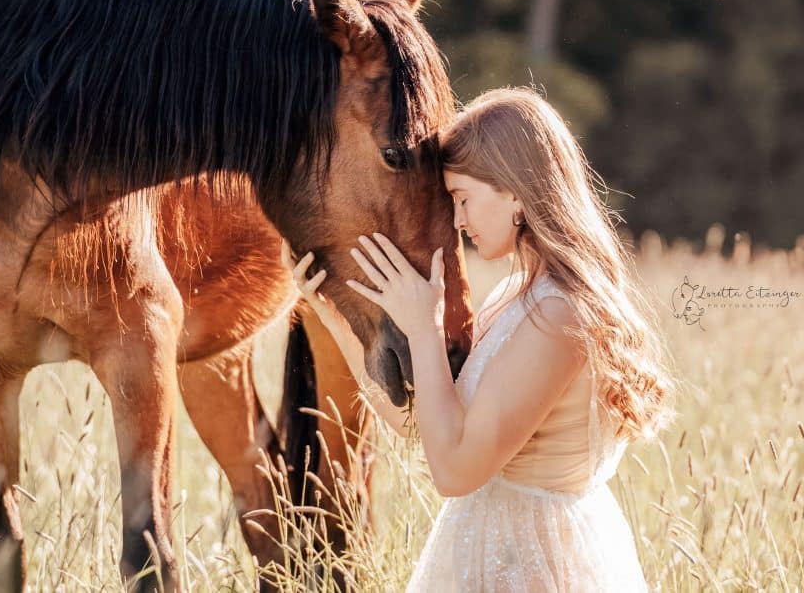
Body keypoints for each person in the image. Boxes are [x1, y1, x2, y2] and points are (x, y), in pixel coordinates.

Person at [282, 86, 677, 591]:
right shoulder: (515, 293)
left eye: (462, 198)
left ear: (515, 190)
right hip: (492, 556)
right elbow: (423, 425)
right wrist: (331, 314)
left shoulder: (560, 315)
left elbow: (456, 472)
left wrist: (424, 328)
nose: (458, 220)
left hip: (539, 567)